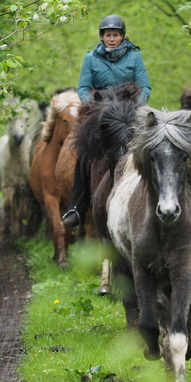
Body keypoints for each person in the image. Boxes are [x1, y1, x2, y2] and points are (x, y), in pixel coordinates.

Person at [61, 14, 151, 229]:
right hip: (100, 113)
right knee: (85, 152)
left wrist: (136, 104)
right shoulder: (90, 57)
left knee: (151, 147)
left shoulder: (134, 56)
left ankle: (152, 196)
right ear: (102, 37)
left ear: (122, 37)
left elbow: (145, 87)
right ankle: (77, 206)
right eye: (108, 35)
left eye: (116, 35)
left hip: (128, 113)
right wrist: (93, 104)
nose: (112, 38)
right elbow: (83, 88)